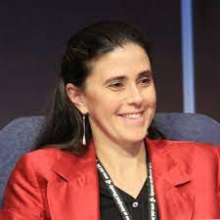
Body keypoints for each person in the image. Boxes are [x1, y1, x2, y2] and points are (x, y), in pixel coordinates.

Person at [0, 21, 220, 220]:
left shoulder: (207, 164)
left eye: (144, 80)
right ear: (78, 97)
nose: (137, 98)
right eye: (117, 85)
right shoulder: (40, 174)